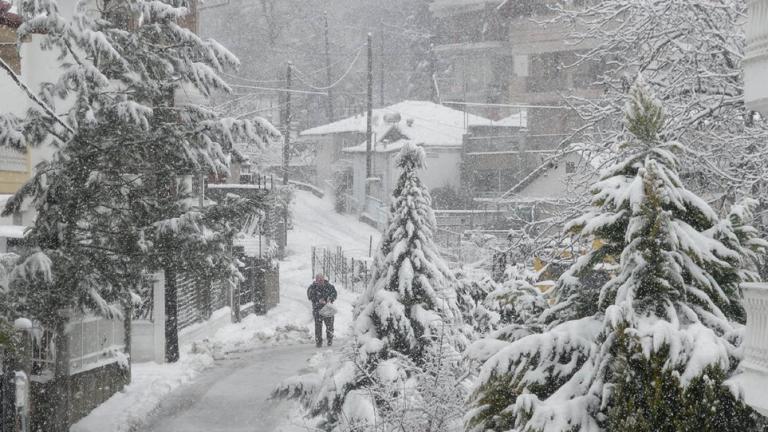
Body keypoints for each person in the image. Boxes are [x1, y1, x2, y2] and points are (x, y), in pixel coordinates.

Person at [307, 273, 337, 347]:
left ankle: (330, 340)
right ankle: (318, 342)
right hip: (317, 310)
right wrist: (318, 300)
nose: (320, 281)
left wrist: (330, 298)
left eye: (321, 280)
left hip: (328, 308)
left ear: (324, 280)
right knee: (318, 327)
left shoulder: (329, 286)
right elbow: (310, 296)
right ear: (316, 280)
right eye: (318, 280)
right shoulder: (312, 287)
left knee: (329, 326)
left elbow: (335, 294)